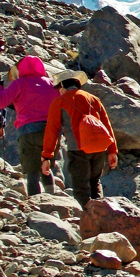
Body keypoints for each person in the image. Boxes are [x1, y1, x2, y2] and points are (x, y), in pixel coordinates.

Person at [41, 70, 117, 207]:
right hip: (100, 148)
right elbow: (107, 126)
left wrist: (47, 157)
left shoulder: (59, 102)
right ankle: (100, 214)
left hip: (78, 150)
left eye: (58, 88)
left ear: (62, 86)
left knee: (81, 187)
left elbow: (52, 131)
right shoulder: (94, 99)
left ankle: (87, 218)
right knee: (95, 182)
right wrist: (112, 151)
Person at [0, 57, 60, 195]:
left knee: (32, 170)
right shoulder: (52, 83)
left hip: (29, 130)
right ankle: (52, 198)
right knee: (46, 167)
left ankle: (36, 201)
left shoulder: (20, 83)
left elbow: (2, 102)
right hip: (52, 130)